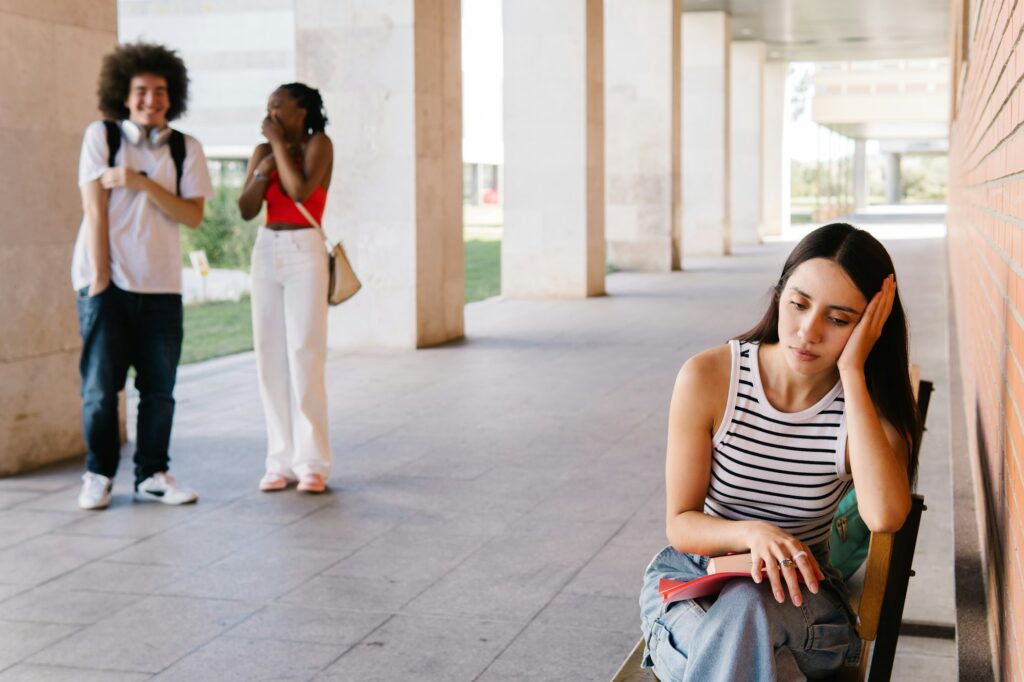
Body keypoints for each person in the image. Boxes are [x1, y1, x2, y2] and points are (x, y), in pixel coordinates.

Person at [638, 223, 922, 681]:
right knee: (757, 654)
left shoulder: (862, 413)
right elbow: (682, 522)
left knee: (743, 616)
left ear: (871, 327)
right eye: (798, 304)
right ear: (779, 293)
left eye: (839, 318)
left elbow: (886, 516)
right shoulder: (710, 377)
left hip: (797, 597)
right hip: (695, 580)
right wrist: (752, 534)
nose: (808, 331)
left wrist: (851, 373)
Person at [73, 42, 213, 510]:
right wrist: (99, 280)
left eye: (160, 91)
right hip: (105, 282)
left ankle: (152, 474)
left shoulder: (184, 147)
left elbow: (192, 216)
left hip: (160, 286)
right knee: (99, 389)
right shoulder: (103, 136)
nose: (150, 99)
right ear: (124, 93)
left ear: (172, 97)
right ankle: (98, 474)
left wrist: (141, 182)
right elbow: (95, 212)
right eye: (141, 91)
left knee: (159, 390)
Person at [237, 83, 334, 494]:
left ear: (302, 111)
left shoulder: (319, 144)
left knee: (304, 351)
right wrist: (264, 164)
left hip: (304, 251)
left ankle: (311, 461)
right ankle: (279, 460)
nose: (270, 113)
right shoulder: (262, 154)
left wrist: (277, 144)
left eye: (278, 106)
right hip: (266, 251)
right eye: (267, 107)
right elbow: (246, 208)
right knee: (269, 355)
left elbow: (299, 191)